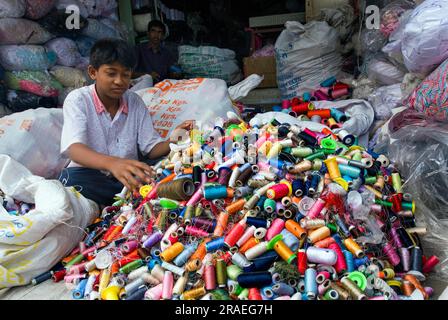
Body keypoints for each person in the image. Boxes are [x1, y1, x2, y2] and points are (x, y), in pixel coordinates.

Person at [59, 38, 193, 206]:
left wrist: (173, 139)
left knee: (161, 169)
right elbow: (73, 149)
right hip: (91, 176)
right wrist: (113, 164)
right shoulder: (78, 100)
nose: (119, 81)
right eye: (111, 73)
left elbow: (151, 148)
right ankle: (127, 199)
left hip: (127, 176)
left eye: (126, 74)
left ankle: (126, 199)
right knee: (71, 183)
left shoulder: (134, 101)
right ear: (93, 72)